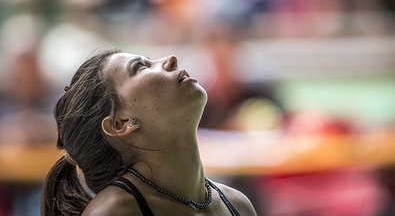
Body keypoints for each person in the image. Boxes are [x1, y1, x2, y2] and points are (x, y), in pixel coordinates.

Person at [41, 49, 258, 216]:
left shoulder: (238, 204)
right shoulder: (114, 212)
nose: (171, 59)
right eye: (140, 67)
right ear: (121, 123)